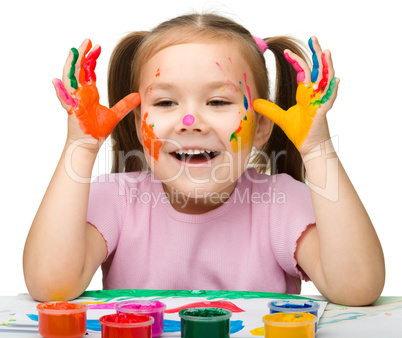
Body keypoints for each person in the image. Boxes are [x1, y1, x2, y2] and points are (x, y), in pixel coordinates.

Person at [23, 13, 385, 306]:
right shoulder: (116, 200)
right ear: (137, 125)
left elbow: (357, 289)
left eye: (218, 101)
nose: (190, 122)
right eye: (165, 103)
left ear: (261, 127)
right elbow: (50, 285)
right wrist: (81, 147)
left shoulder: (280, 202)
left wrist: (317, 149)